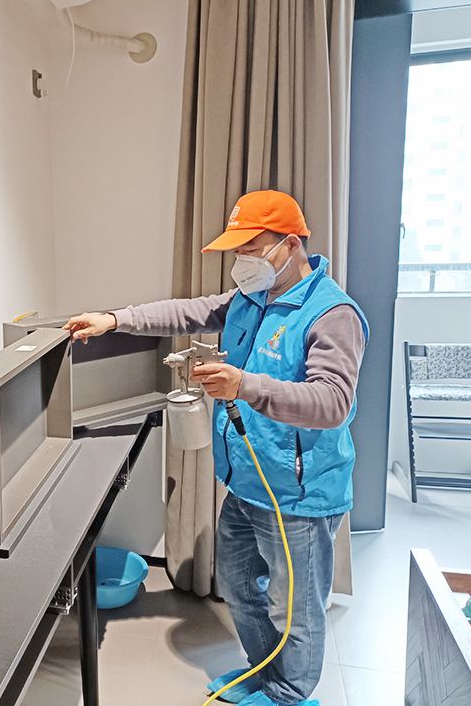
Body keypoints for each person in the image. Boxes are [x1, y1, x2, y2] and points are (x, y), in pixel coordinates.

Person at [63, 190, 368, 706]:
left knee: (294, 608)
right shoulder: (251, 299)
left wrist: (244, 385)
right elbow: (185, 312)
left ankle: (290, 693)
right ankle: (265, 670)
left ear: (290, 244)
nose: (241, 261)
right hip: (246, 482)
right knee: (238, 584)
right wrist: (114, 319)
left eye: (251, 248)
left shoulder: (331, 313)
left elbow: (333, 402)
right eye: (237, 250)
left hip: (298, 494)